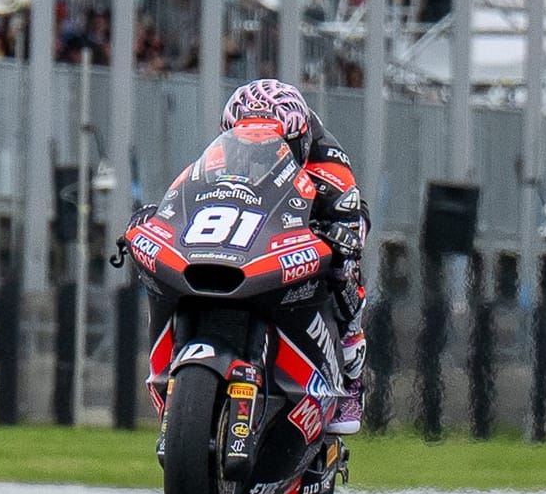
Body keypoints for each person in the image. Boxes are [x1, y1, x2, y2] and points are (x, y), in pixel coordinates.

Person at [134, 80, 372, 433]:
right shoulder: (219, 157)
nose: (257, 154)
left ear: (300, 138)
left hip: (309, 223)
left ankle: (352, 370)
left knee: (345, 267)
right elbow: (189, 195)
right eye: (245, 142)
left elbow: (352, 219)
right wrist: (158, 218)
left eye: (272, 146)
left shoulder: (327, 162)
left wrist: (341, 234)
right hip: (241, 237)